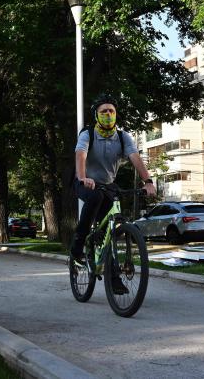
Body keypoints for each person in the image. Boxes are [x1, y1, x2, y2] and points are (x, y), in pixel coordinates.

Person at [72, 94, 156, 289]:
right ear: (96, 115)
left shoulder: (122, 136)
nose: (108, 114)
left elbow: (135, 158)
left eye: (111, 111)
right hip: (84, 182)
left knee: (110, 230)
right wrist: (84, 177)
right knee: (95, 197)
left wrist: (148, 182)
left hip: (108, 184)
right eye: (104, 111)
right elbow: (80, 155)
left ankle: (113, 278)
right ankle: (77, 247)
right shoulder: (88, 134)